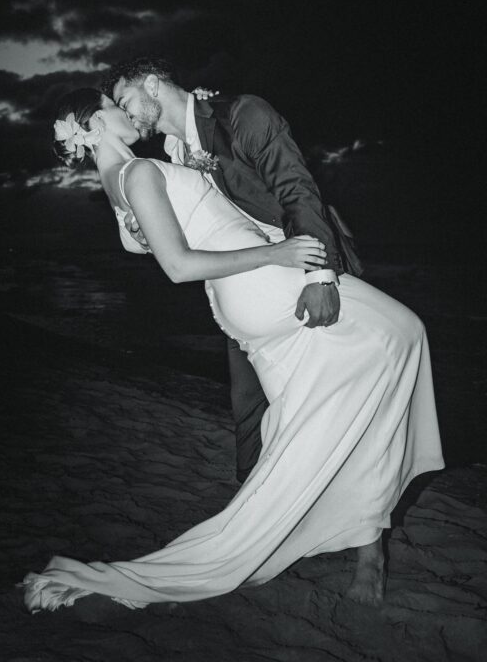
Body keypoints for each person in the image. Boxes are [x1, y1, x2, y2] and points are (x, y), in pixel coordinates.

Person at [20, 89, 444, 613]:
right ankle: (344, 533)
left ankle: (356, 538)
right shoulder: (137, 175)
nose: (125, 112)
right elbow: (179, 265)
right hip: (264, 281)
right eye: (114, 105)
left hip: (243, 300)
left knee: (326, 412)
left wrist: (188, 114)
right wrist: (281, 250)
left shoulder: (122, 181)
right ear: (93, 123)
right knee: (401, 331)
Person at [110, 56, 362, 483]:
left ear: (152, 85)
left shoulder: (242, 114)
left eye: (125, 99)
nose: (125, 113)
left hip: (303, 267)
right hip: (240, 290)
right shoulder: (170, 155)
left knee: (339, 391)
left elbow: (298, 191)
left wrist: (319, 277)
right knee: (247, 403)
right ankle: (252, 501)